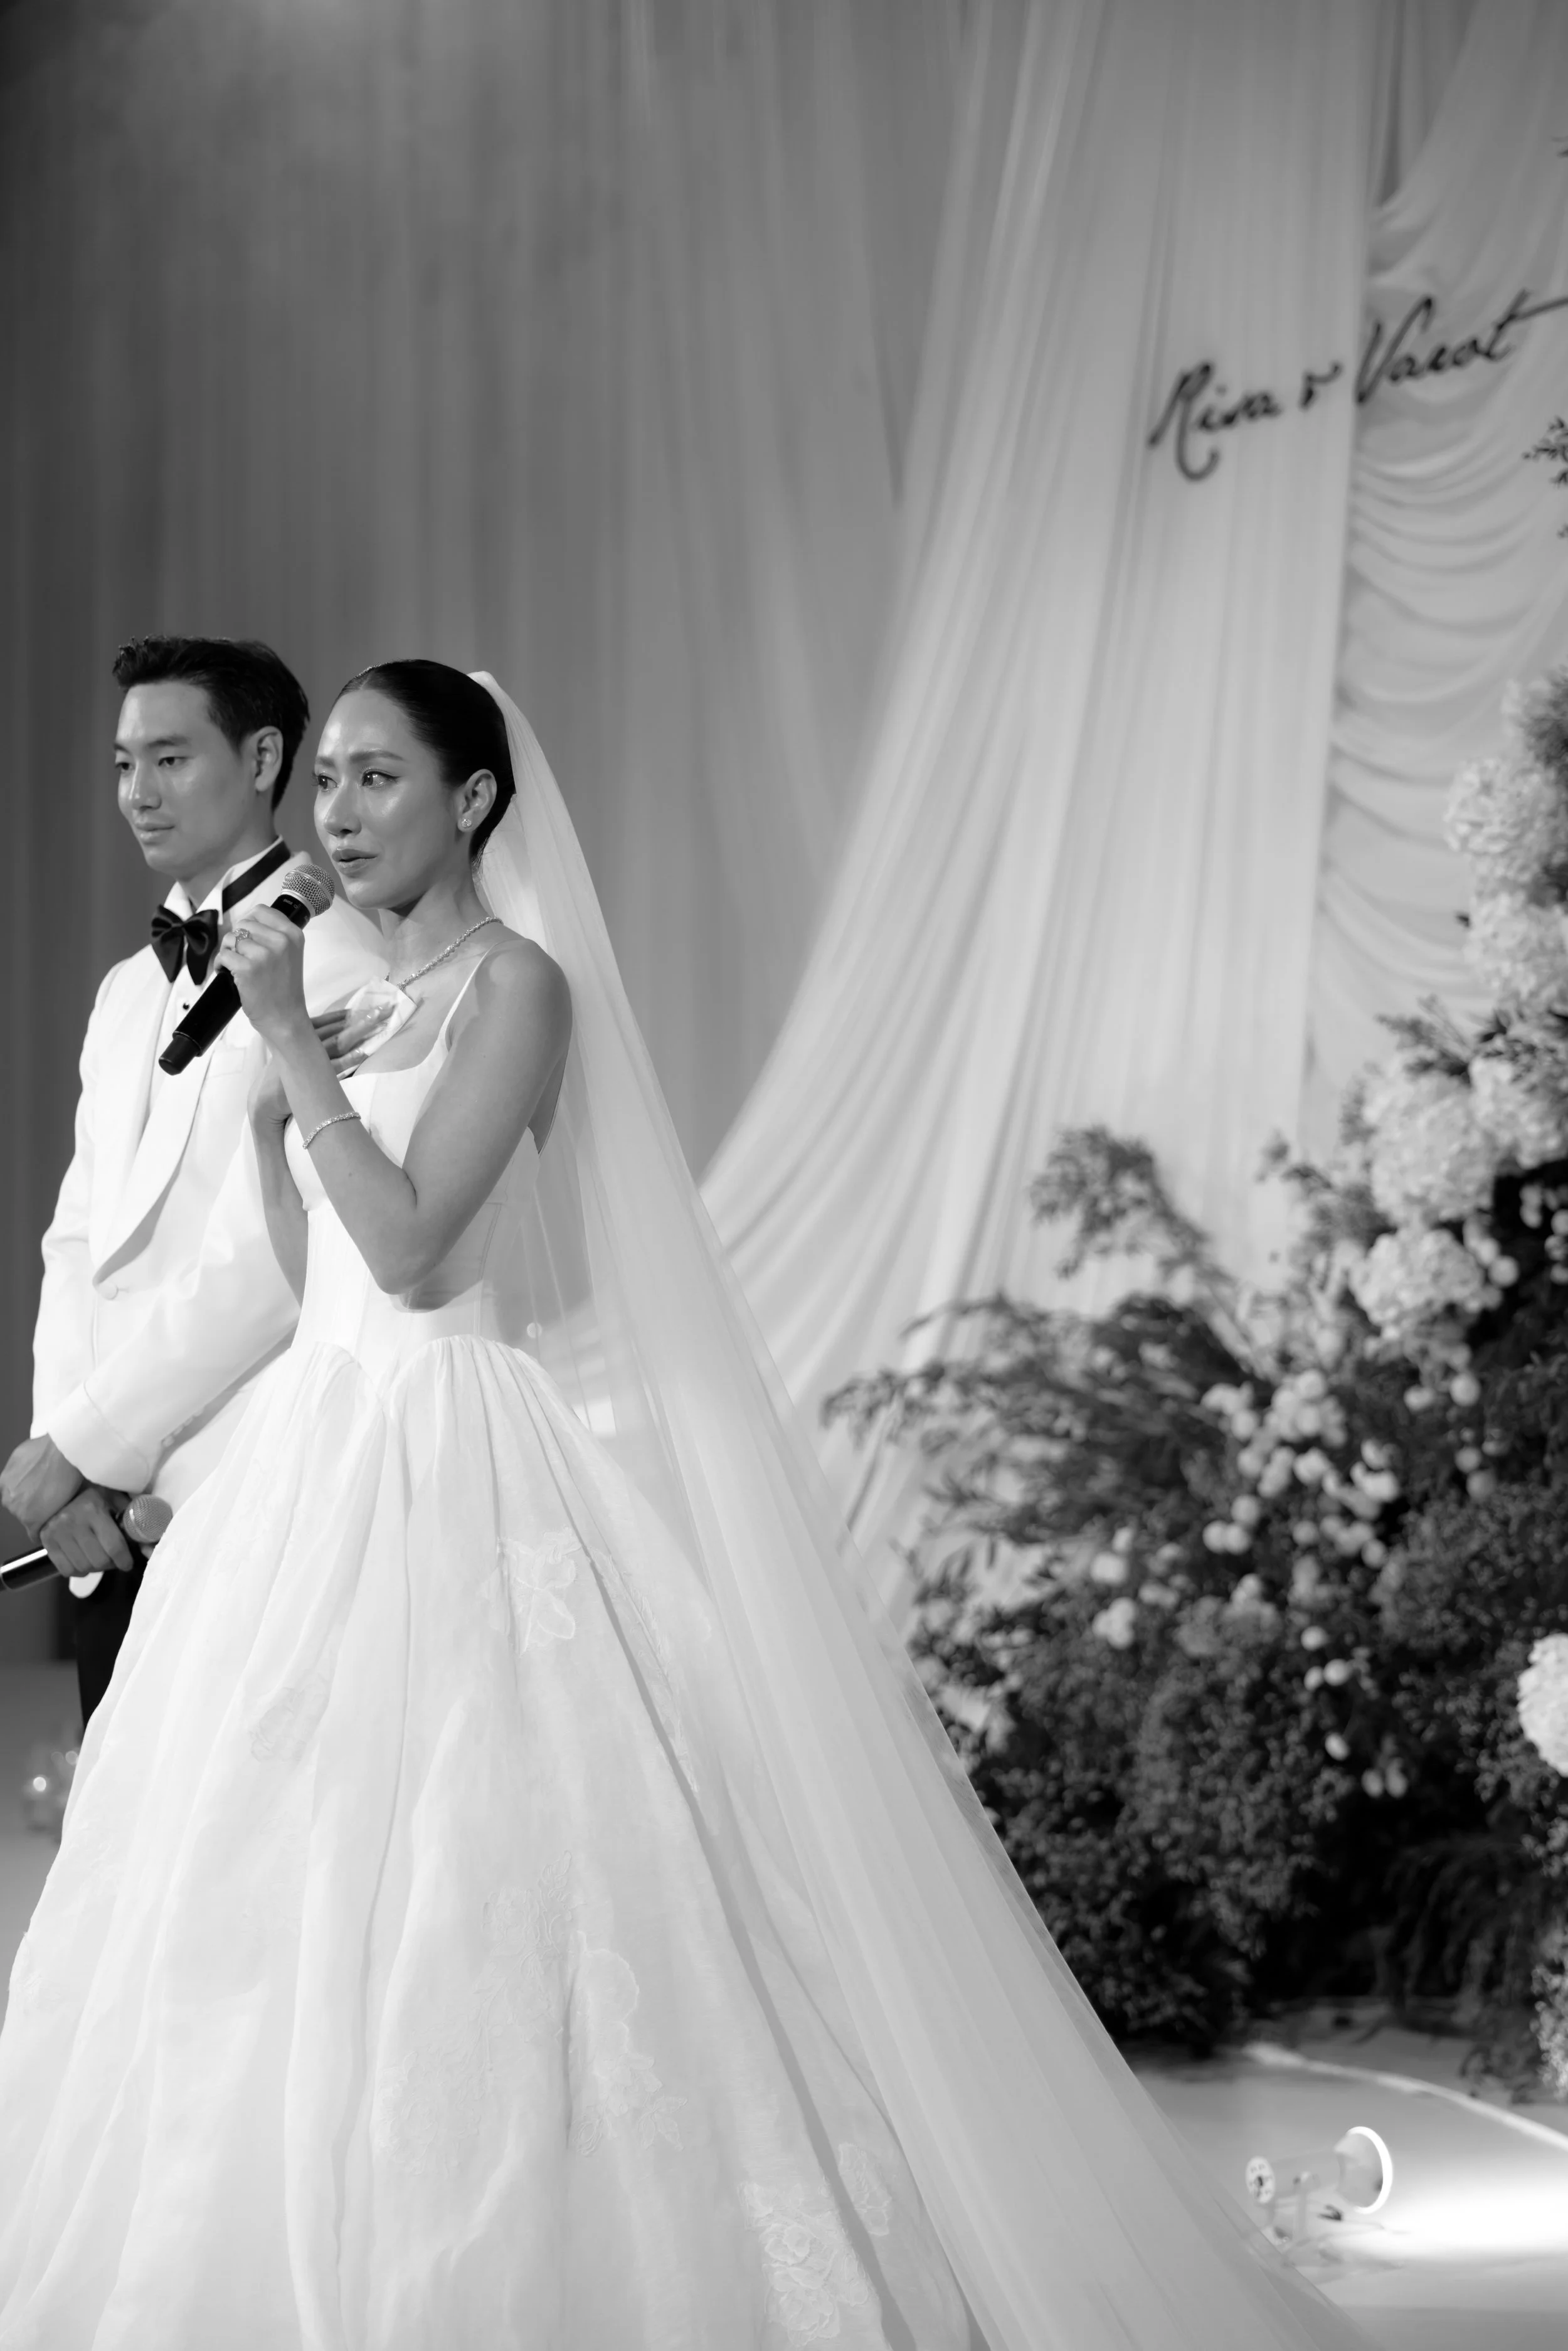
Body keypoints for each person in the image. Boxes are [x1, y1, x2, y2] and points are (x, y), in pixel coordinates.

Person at [0, 664, 1366, 2349]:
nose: (338, 816)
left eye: (376, 779)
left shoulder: (519, 985)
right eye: (330, 781)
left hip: (454, 1440)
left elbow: (417, 1251)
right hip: (317, 1449)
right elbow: (314, 1262)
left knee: (500, 1866)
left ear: (473, 799)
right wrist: (292, 1103)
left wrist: (288, 1056)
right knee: (261, 1873)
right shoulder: (361, 991)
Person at [0, 636, 386, 1723]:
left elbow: (273, 1254)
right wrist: (66, 1462)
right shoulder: (127, 988)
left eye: (169, 760)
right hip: (98, 1522)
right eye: (124, 765)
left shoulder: (338, 959)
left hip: (245, 1492)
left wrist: (91, 1440)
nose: (138, 794)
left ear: (261, 759)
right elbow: (76, 1241)